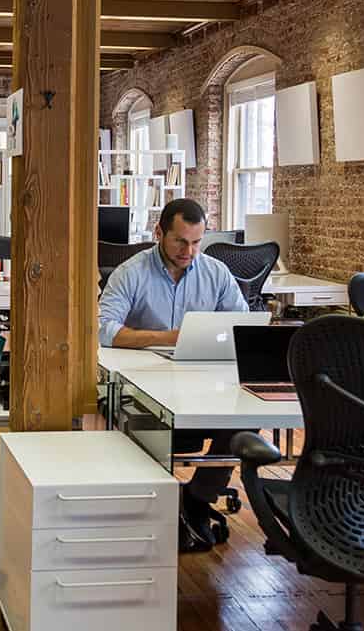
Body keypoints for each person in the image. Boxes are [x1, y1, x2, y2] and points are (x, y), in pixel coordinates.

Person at [98, 197, 248, 550]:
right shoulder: (131, 272)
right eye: (180, 241)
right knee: (143, 422)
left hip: (202, 381)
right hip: (144, 384)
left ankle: (198, 497)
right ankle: (148, 505)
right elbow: (104, 329)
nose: (189, 251)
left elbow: (242, 325)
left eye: (197, 242)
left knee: (242, 420)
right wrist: (170, 338)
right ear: (159, 233)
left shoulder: (215, 273)